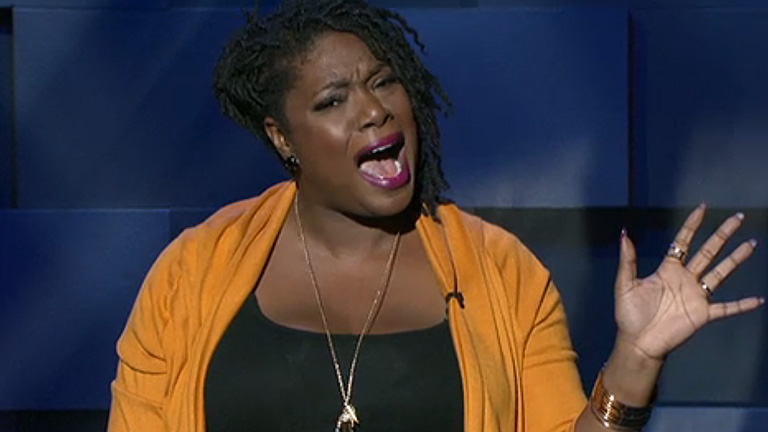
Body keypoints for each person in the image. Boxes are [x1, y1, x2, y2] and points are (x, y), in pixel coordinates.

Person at [107, 1, 764, 431]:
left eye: (383, 81)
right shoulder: (193, 272)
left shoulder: (502, 274)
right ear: (283, 138)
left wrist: (634, 358)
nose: (374, 110)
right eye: (333, 100)